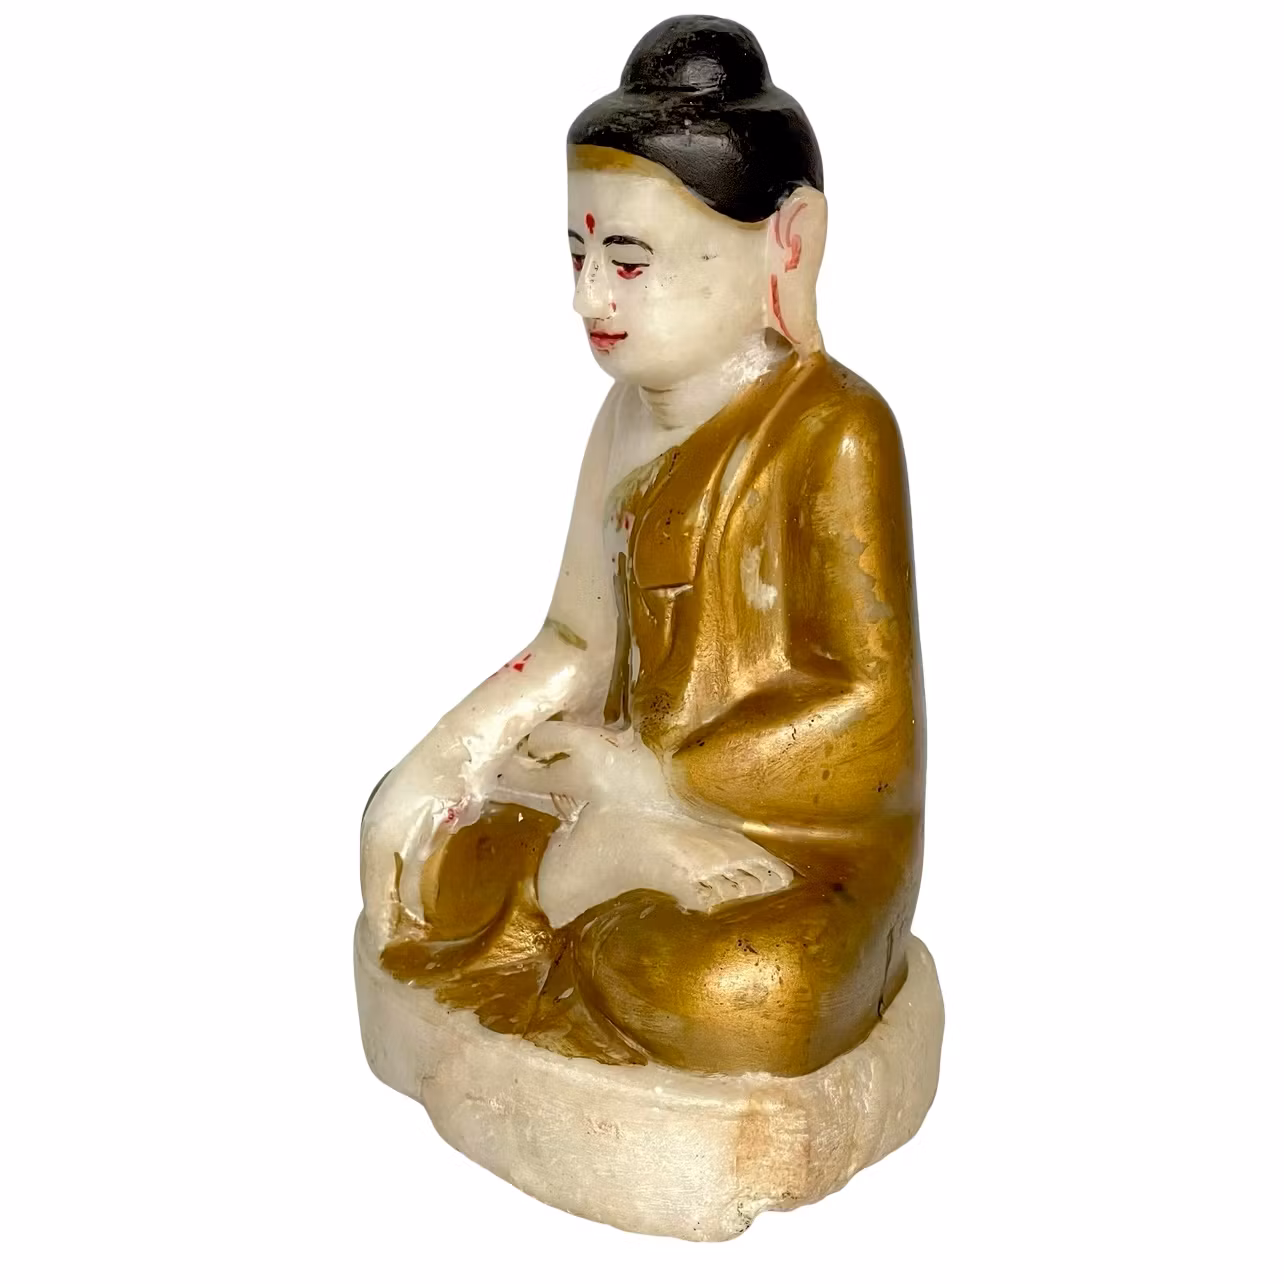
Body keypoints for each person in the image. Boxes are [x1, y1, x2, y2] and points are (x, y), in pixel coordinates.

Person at [358, 16, 925, 1077]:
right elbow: (577, 640)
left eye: (629, 260)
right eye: (577, 257)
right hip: (618, 794)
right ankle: (587, 874)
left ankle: (582, 889)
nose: (588, 298)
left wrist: (653, 776)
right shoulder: (626, 417)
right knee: (422, 835)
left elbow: (867, 717)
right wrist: (448, 756)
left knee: (752, 992)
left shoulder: (836, 430)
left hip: (793, 841)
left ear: (787, 242)